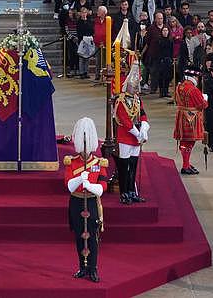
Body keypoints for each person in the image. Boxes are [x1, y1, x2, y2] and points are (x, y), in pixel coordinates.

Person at [64, 117, 108, 283]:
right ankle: (82, 267)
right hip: (76, 203)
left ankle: (93, 268)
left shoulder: (99, 163)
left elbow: (102, 187)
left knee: (92, 238)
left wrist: (88, 185)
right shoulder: (72, 162)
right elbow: (68, 185)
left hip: (91, 202)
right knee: (79, 237)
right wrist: (78, 180)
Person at [113, 63, 150, 204]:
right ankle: (124, 193)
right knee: (124, 167)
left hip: (136, 138)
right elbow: (125, 120)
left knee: (133, 167)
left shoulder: (137, 99)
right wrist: (137, 133)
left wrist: (144, 128)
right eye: (134, 86)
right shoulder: (121, 100)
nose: (136, 88)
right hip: (125, 137)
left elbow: (143, 114)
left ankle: (132, 191)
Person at [173, 64, 208, 175]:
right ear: (195, 77)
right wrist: (205, 99)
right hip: (191, 118)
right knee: (189, 142)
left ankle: (186, 163)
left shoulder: (179, 86)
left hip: (181, 115)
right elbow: (202, 105)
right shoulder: (193, 89)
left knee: (184, 141)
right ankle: (185, 165)